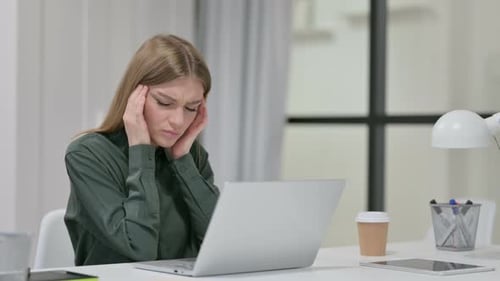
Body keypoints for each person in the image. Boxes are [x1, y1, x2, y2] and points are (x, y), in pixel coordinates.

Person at [64, 34, 219, 266]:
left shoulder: (192, 156)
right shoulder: (87, 155)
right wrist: (141, 152)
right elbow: (139, 248)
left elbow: (219, 243)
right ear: (136, 97)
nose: (178, 121)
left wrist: (183, 162)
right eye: (165, 103)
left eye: (191, 107)